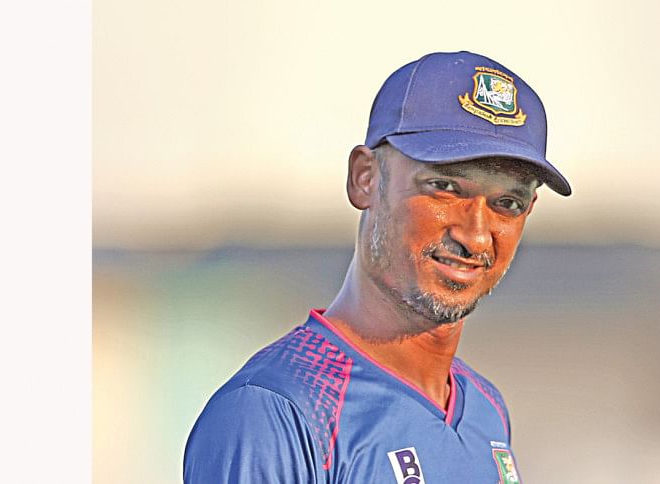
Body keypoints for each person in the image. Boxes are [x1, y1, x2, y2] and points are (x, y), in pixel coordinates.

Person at [183, 50, 572, 484]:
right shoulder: (276, 410)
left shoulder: (486, 409)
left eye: (508, 203)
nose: (476, 236)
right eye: (444, 186)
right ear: (365, 178)